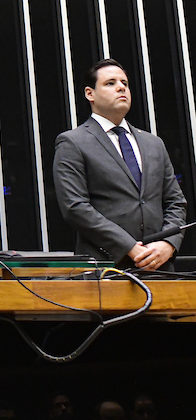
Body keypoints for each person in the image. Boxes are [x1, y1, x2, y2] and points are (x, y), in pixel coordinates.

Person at [53, 59, 187, 270]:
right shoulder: (73, 142)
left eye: (124, 82)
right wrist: (129, 247)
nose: (121, 87)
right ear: (90, 94)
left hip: (159, 267)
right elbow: (75, 207)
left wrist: (168, 243)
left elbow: (175, 202)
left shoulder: (154, 143)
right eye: (110, 83)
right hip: (105, 268)